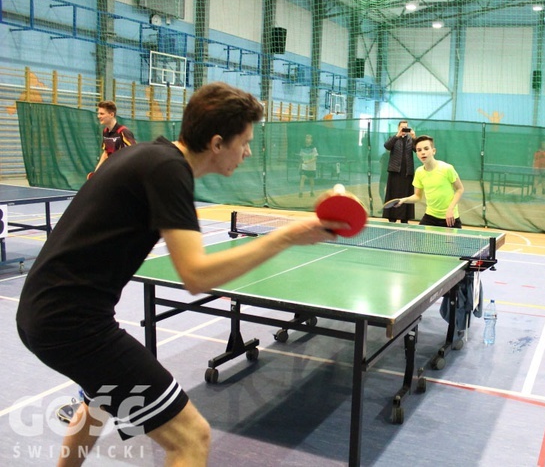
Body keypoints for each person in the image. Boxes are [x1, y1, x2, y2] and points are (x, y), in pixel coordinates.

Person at [16, 82, 343, 466]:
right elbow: (197, 276)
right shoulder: (169, 171)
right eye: (245, 142)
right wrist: (287, 235)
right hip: (72, 325)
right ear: (218, 143)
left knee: (98, 401)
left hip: (43, 314)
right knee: (191, 437)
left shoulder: (151, 157)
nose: (248, 151)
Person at [391, 135, 464, 228]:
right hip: (430, 216)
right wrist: (403, 200)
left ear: (433, 151)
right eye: (419, 150)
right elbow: (417, 196)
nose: (423, 152)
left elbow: (460, 189)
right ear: (416, 153)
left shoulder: (447, 168)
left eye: (426, 149)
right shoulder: (419, 172)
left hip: (450, 217)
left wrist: (450, 209)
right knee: (420, 241)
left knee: (450, 243)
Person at [382, 120, 417, 223]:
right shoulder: (394, 138)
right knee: (393, 194)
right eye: (402, 127)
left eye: (406, 128)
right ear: (398, 128)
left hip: (407, 173)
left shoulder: (411, 140)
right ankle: (391, 217)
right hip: (395, 172)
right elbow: (387, 146)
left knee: (406, 195)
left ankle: (405, 218)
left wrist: (414, 137)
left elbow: (417, 149)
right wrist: (397, 135)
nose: (404, 130)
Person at [92, 100, 137, 173]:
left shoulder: (123, 132)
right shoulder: (105, 132)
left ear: (111, 115)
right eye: (98, 113)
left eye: (102, 114)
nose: (98, 116)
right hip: (112, 171)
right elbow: (106, 153)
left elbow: (135, 153)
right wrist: (96, 171)